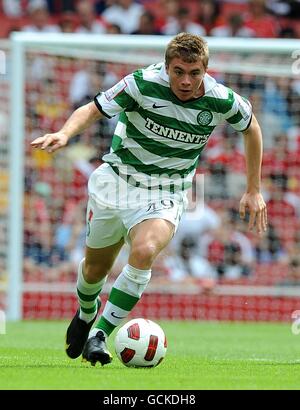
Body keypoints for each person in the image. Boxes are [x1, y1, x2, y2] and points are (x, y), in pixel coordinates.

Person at [31, 33, 268, 366]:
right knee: (93, 271)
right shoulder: (140, 84)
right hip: (116, 184)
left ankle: (100, 334)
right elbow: (92, 110)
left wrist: (254, 188)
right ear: (167, 66)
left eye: (194, 72)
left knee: (144, 251)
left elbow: (251, 127)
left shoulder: (222, 99)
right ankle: (87, 311)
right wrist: (64, 133)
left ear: (205, 70)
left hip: (165, 191)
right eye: (178, 71)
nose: (186, 80)